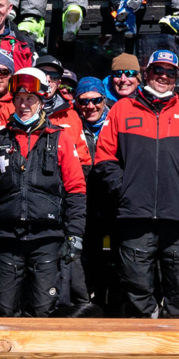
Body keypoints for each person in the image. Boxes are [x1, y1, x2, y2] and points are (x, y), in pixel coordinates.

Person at [94, 49, 179, 317]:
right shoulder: (121, 110)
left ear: (176, 77)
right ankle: (144, 353)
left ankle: (177, 354)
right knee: (136, 290)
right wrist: (125, 191)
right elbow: (104, 159)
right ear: (146, 74)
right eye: (157, 70)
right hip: (134, 217)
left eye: (170, 72)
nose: (163, 76)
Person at [0, 68, 88, 316]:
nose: (24, 104)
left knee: (44, 310)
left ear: (41, 101)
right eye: (19, 98)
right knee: (4, 310)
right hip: (7, 239)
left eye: (30, 99)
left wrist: (75, 234)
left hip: (47, 239)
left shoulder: (60, 138)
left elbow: (76, 189)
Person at [72, 77, 118, 313]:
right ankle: (87, 306)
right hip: (83, 207)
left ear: (104, 100)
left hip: (112, 207)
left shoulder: (116, 124)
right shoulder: (71, 127)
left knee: (111, 258)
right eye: (84, 101)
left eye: (96, 100)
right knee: (84, 258)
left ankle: (110, 306)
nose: (90, 106)